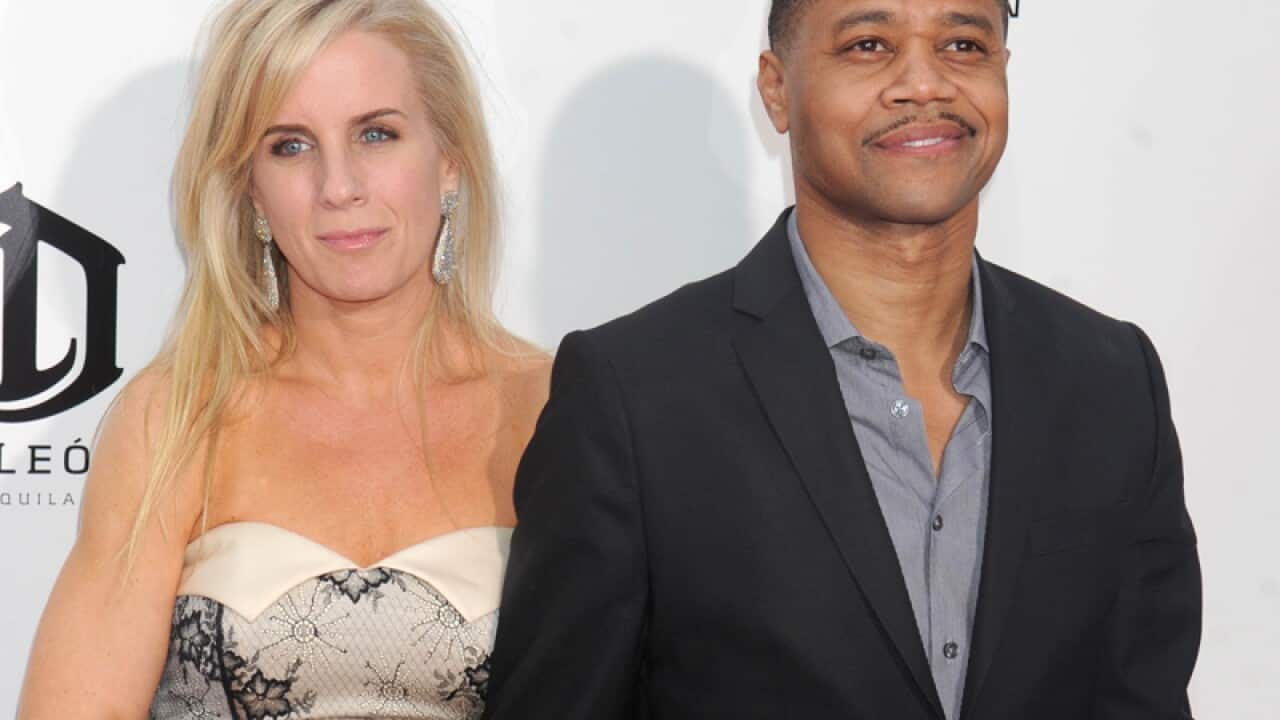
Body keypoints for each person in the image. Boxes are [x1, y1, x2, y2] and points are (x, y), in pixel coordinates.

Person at [484, 1, 1201, 718]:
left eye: (962, 44)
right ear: (776, 89)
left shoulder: (1112, 381)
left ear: (1002, 72)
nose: (924, 84)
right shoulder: (634, 398)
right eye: (868, 45)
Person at [18, 1, 548, 717]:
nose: (339, 187)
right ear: (251, 191)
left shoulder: (555, 407)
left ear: (449, 162)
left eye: (376, 134)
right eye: (290, 146)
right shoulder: (175, 418)